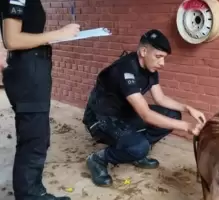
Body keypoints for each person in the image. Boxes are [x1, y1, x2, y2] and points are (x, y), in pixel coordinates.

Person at [82, 29, 207, 187]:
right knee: (139, 146)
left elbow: (160, 98)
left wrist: (188, 108)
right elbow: (146, 115)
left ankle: (136, 151)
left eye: (164, 58)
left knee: (173, 115)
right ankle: (99, 159)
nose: (162, 63)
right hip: (102, 119)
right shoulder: (125, 69)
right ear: (143, 51)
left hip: (125, 113)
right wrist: (187, 127)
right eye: (158, 57)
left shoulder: (150, 69)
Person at [0, 0, 80, 199]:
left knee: (36, 135)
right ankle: (29, 195)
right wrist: (60, 34)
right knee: (34, 138)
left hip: (34, 66)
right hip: (28, 70)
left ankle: (32, 191)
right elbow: (11, 39)